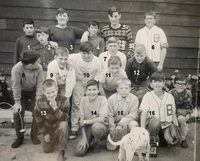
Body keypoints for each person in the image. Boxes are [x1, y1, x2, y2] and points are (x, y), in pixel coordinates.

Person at [68, 41, 101, 140]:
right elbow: (62, 59)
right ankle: (74, 127)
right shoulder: (73, 57)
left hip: (90, 83)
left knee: (90, 104)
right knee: (77, 104)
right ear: (80, 52)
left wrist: (91, 86)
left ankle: (89, 126)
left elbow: (98, 75)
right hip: (78, 82)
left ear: (92, 52)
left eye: (88, 53)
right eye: (84, 53)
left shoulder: (97, 61)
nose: (86, 56)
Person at [11, 50, 43, 148]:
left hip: (34, 91)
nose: (40, 62)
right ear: (30, 65)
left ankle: (34, 135)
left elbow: (40, 85)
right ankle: (19, 137)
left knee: (37, 111)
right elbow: (16, 86)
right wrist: (17, 103)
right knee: (18, 113)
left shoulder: (39, 68)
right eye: (37, 61)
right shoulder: (17, 69)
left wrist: (38, 101)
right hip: (21, 91)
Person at [140, 71, 179, 147]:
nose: (157, 84)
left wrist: (176, 126)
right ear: (151, 84)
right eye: (155, 82)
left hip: (166, 124)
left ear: (164, 83)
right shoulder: (148, 96)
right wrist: (142, 129)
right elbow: (143, 113)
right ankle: (153, 139)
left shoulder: (169, 97)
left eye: (160, 81)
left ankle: (161, 136)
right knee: (155, 121)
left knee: (171, 141)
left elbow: (173, 113)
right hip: (153, 124)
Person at [34, 79, 68, 161]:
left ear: (57, 89)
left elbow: (65, 118)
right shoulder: (39, 102)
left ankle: (63, 150)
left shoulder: (63, 100)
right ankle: (54, 139)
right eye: (48, 93)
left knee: (64, 125)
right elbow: (39, 120)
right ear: (43, 92)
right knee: (47, 150)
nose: (51, 95)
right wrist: (45, 133)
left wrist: (55, 108)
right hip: (48, 129)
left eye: (53, 92)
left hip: (59, 127)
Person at [75, 79, 108, 156]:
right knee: (79, 152)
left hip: (100, 126)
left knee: (96, 127)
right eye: (89, 90)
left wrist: (86, 122)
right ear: (86, 91)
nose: (92, 92)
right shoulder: (83, 100)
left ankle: (97, 142)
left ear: (98, 90)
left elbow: (102, 119)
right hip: (88, 128)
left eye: (94, 89)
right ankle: (89, 140)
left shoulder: (103, 99)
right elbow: (81, 121)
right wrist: (84, 138)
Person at [107, 78, 139, 150]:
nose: (124, 90)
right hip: (114, 124)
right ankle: (114, 137)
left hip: (125, 124)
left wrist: (121, 124)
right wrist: (112, 129)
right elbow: (109, 115)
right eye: (121, 88)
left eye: (126, 88)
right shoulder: (111, 99)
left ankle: (130, 142)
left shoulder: (134, 99)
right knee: (111, 148)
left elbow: (134, 114)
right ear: (117, 89)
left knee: (134, 124)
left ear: (130, 89)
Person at [169, 73, 193, 148]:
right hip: (172, 112)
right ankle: (173, 135)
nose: (180, 86)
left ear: (186, 85)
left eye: (183, 84)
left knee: (181, 119)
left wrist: (176, 115)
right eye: (178, 83)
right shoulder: (170, 93)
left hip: (183, 112)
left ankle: (183, 138)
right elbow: (168, 106)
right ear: (174, 84)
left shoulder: (188, 94)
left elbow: (186, 108)